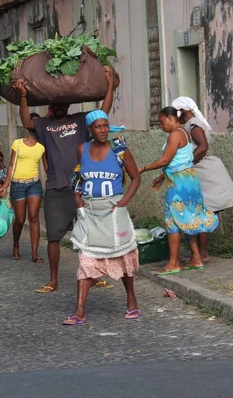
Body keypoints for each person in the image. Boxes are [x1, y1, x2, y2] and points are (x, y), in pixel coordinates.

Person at [15, 66, 118, 293]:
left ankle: (93, 275)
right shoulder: (44, 125)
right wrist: (23, 96)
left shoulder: (81, 121)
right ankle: (53, 279)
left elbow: (104, 112)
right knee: (53, 237)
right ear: (51, 107)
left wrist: (110, 85)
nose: (60, 107)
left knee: (89, 237)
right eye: (56, 105)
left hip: (83, 189)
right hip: (56, 188)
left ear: (68, 105)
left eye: (63, 104)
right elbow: (26, 122)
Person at [63, 110, 141, 325]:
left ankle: (131, 301)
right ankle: (79, 311)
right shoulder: (83, 149)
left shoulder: (120, 150)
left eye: (106, 125)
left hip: (114, 210)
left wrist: (123, 202)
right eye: (98, 126)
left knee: (123, 258)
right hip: (90, 212)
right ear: (90, 130)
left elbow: (136, 178)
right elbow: (79, 176)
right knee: (86, 258)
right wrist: (77, 196)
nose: (103, 130)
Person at [139, 107, 219, 274]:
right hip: (189, 179)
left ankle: (173, 263)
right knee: (187, 217)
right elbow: (177, 160)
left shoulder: (175, 134)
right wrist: (162, 177)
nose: (161, 126)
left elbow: (165, 160)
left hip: (180, 182)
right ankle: (196, 258)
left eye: (161, 122)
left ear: (169, 118)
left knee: (172, 220)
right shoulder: (184, 132)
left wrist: (143, 168)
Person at [171, 97, 233, 262]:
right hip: (203, 171)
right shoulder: (191, 125)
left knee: (201, 211)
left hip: (205, 172)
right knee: (201, 211)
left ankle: (202, 254)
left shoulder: (194, 125)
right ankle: (201, 253)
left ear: (183, 112)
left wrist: (185, 163)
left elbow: (203, 146)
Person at [0, 124, 48, 263]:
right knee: (20, 219)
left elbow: (46, 166)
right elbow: (11, 165)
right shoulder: (17, 143)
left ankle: (35, 253)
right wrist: (5, 185)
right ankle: (16, 244)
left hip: (34, 184)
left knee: (34, 216)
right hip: (17, 184)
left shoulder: (42, 147)